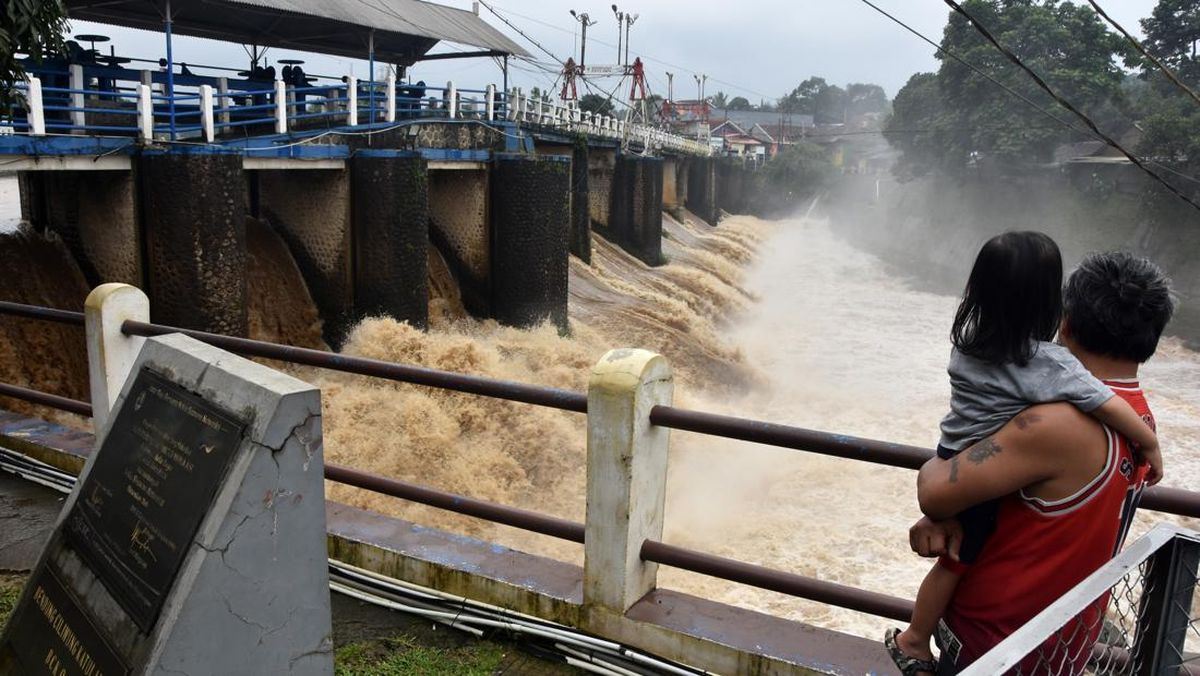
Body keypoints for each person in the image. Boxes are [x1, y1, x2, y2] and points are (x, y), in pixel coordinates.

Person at [884, 235, 1163, 676]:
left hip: (999, 643)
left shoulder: (1053, 423)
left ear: (1065, 323)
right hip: (1064, 639)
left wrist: (941, 507)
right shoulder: (1140, 417)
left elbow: (935, 491)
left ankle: (911, 642)